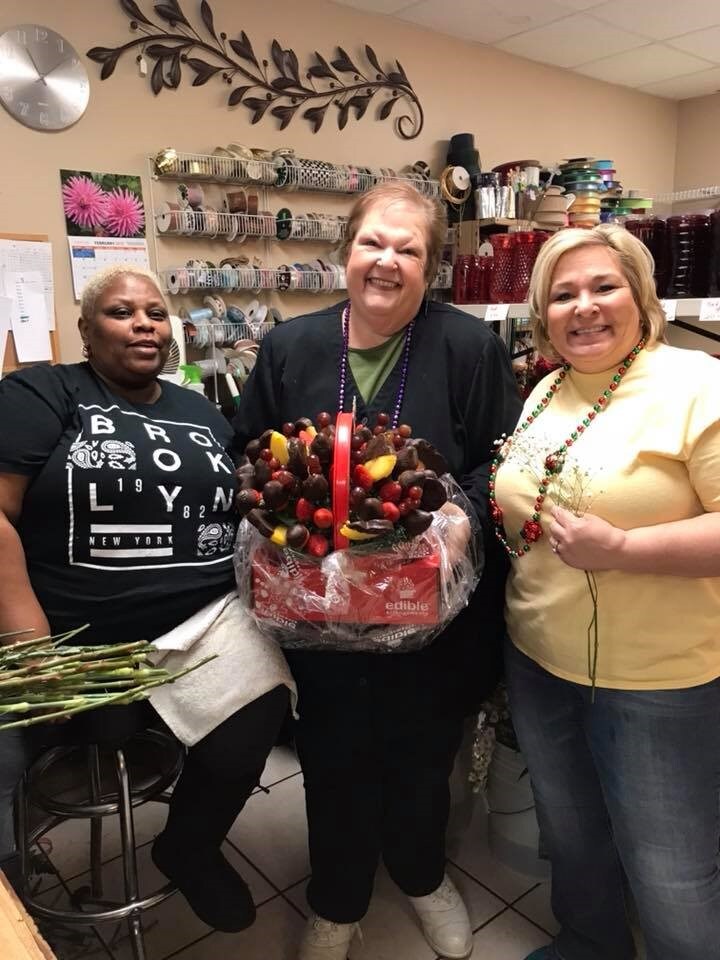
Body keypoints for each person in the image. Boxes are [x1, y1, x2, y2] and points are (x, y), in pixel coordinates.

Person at [233, 182, 521, 960]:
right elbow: (248, 456)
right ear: (346, 250)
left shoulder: (469, 348)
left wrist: (458, 527)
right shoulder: (292, 346)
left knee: (424, 760)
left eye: (409, 249)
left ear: (432, 265)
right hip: (318, 615)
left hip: (432, 615)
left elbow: (504, 462)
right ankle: (337, 900)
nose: (387, 261)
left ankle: (423, 878)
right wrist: (274, 534)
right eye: (373, 242)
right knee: (332, 760)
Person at [0, 265, 294, 931]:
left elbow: (244, 506)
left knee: (264, 704)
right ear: (86, 330)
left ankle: (189, 845)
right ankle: (15, 910)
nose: (143, 325)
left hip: (201, 622)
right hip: (68, 634)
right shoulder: (41, 393)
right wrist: (29, 645)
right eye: (121, 312)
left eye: (156, 314)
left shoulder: (201, 411)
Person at [491, 224, 720, 960]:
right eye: (563, 295)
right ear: (543, 314)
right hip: (539, 661)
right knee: (572, 833)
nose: (584, 307)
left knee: (672, 867)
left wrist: (624, 550)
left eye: (603, 287)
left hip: (658, 681)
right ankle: (589, 945)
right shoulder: (547, 389)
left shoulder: (696, 385)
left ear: (640, 295)